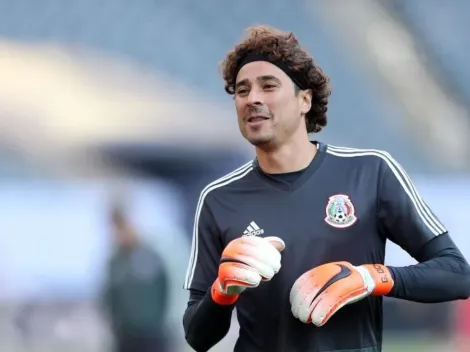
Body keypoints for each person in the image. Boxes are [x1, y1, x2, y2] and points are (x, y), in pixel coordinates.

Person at [182, 25, 470, 352]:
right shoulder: (218, 199)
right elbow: (197, 335)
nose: (253, 99)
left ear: (304, 99)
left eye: (268, 86)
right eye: (242, 90)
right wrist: (222, 291)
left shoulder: (370, 171)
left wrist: (370, 278)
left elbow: (457, 274)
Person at [102, 204, 169, 352]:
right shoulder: (115, 262)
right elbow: (110, 297)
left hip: (152, 335)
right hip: (125, 336)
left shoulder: (151, 257)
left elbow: (165, 291)